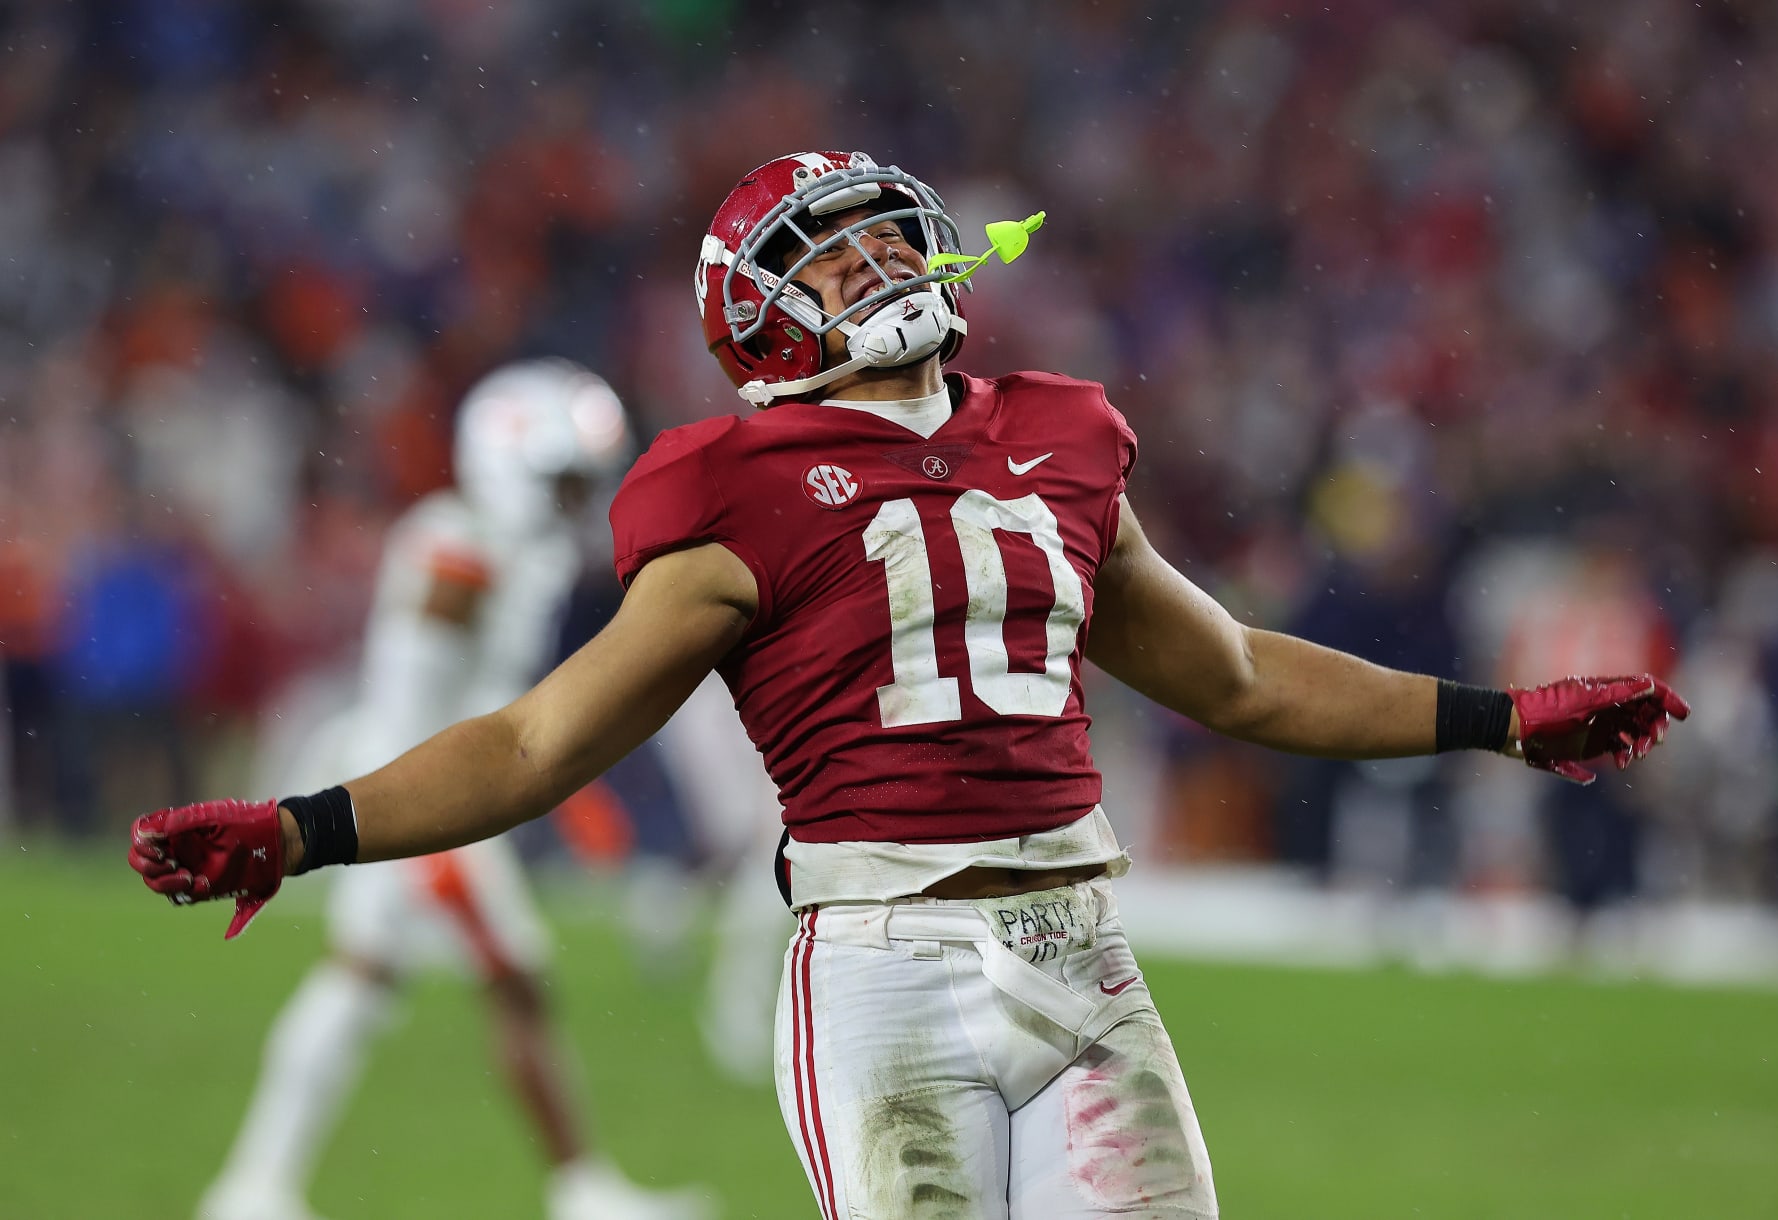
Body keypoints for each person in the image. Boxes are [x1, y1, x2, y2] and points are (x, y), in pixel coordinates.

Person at [131, 151, 1690, 1219]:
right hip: (886, 965)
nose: (881, 260)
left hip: (1080, 945)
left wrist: (1494, 721)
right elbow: (544, 737)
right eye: (835, 251)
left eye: (889, 230)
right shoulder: (728, 486)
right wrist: (305, 829)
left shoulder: (1062, 431)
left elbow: (1234, 675)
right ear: (760, 316)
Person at [191, 359, 709, 1220]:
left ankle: (252, 1188)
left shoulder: (495, 541)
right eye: (565, 480)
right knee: (511, 979)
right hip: (417, 794)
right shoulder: (461, 548)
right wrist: (416, 830)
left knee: (361, 981)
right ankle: (582, 1190)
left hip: (411, 786)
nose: (577, 500)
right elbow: (419, 704)